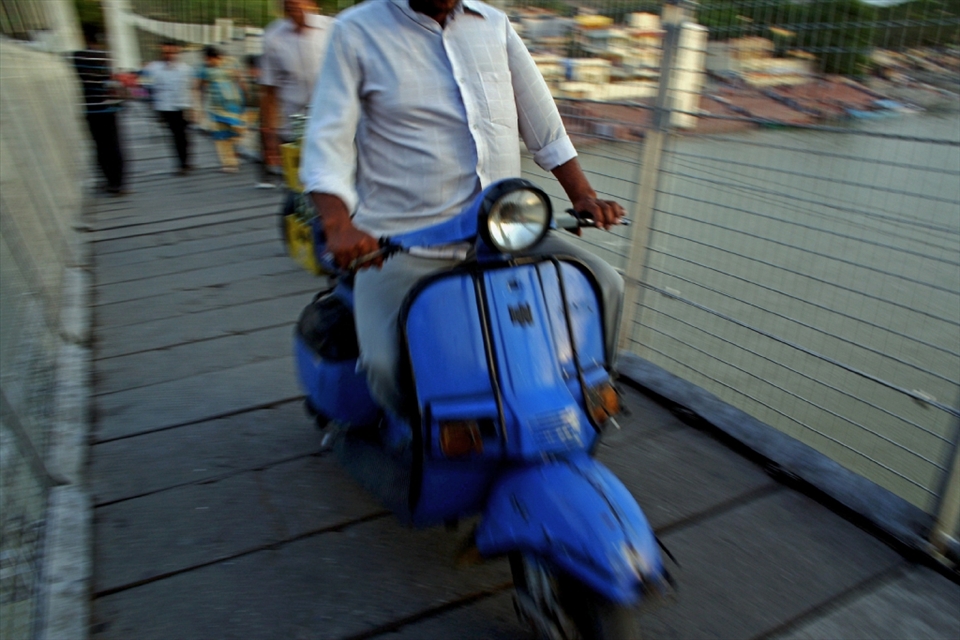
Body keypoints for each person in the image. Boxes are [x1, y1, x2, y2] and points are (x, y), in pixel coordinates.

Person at [300, 0, 626, 415]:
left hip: (504, 232)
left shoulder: (494, 25)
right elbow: (327, 139)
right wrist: (338, 223)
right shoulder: (355, 31)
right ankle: (414, 436)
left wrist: (582, 194)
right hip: (403, 245)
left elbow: (543, 123)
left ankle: (579, 399)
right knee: (385, 365)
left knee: (605, 284)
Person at [259, 0, 332, 177]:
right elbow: (269, 89)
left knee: (333, 182)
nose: (294, 5)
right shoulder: (273, 36)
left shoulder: (333, 28)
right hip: (293, 126)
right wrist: (269, 137)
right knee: (299, 184)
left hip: (331, 122)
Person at [73, 23, 126, 196]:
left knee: (100, 147)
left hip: (91, 109)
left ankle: (109, 181)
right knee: (114, 145)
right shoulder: (106, 56)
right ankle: (119, 183)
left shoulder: (77, 57)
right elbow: (111, 78)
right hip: (109, 108)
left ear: (84, 37)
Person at [198, 46, 246, 173]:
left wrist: (245, 94)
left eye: (208, 59)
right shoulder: (204, 69)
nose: (208, 62)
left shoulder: (231, 63)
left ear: (214, 57)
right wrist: (199, 107)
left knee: (237, 131)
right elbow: (199, 86)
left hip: (233, 104)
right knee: (220, 136)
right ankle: (228, 163)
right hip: (215, 106)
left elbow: (239, 79)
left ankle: (234, 154)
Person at [150, 42, 194, 175]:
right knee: (176, 135)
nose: (169, 56)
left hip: (182, 106)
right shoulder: (154, 68)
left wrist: (193, 109)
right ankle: (182, 163)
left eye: (172, 53)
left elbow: (191, 89)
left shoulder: (185, 69)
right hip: (165, 107)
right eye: (166, 53)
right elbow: (148, 87)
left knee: (183, 135)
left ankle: (185, 161)